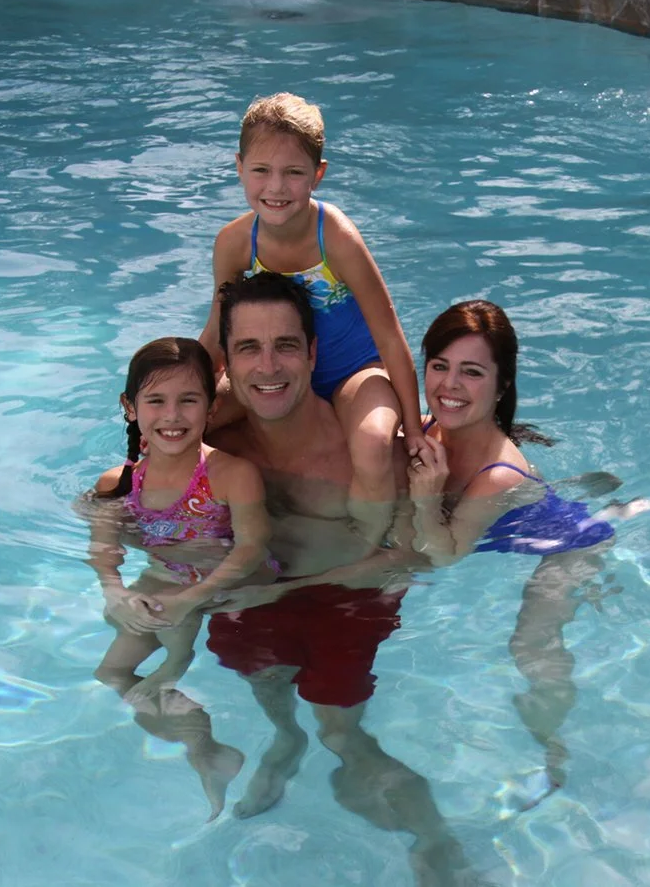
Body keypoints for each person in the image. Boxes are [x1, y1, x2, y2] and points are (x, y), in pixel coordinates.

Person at [179, 271, 477, 885]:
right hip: (257, 595)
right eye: (248, 349)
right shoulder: (221, 449)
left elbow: (414, 557)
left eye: (286, 345)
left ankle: (434, 844)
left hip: (350, 602)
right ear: (227, 364)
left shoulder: (372, 453)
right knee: (261, 675)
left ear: (313, 354)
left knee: (342, 734)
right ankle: (283, 739)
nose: (269, 366)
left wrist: (283, 590)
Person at [404, 299, 621, 795]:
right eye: (439, 366)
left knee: (529, 646)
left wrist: (424, 498)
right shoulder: (428, 426)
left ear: (501, 385)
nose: (450, 385)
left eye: (472, 372)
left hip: (569, 546)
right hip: (504, 521)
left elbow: (444, 555)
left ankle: (554, 743)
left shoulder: (498, 475)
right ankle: (580, 486)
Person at [200, 92, 422, 551]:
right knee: (192, 426)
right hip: (274, 367)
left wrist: (415, 431)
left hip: (354, 371)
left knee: (374, 445)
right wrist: (183, 396)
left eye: (293, 173)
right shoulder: (235, 242)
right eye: (261, 170)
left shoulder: (335, 236)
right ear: (238, 167)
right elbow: (216, 334)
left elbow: (390, 335)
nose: (276, 187)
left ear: (318, 175)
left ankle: (370, 543)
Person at [86, 336, 278, 819]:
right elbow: (103, 553)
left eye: (188, 400)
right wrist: (115, 595)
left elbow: (253, 547)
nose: (172, 415)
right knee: (110, 673)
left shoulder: (232, 474)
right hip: (167, 583)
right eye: (156, 400)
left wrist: (194, 597)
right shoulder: (119, 483)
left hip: (233, 585)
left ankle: (179, 678)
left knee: (170, 643)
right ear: (130, 407)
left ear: (211, 407)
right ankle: (201, 743)